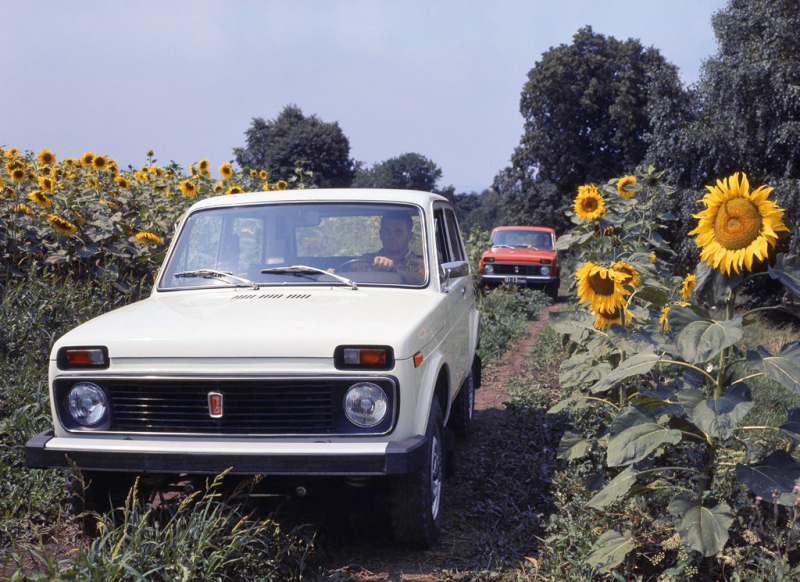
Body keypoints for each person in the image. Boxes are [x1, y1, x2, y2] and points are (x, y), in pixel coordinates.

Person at [350, 211, 425, 284]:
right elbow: (344, 278)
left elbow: (422, 280)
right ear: (380, 234)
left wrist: (394, 270)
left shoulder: (423, 264)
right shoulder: (365, 260)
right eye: (387, 231)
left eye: (398, 231)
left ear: (409, 236)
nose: (392, 236)